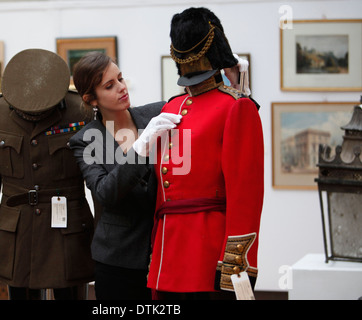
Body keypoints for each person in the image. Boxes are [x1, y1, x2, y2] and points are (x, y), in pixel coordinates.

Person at [146, 7, 264, 299]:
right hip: (167, 253)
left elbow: (245, 195)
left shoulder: (235, 106)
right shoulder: (170, 108)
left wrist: (235, 265)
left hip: (207, 252)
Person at [0, 49, 95, 300]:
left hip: (68, 234)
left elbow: (98, 185)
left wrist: (104, 247)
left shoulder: (80, 110)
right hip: (17, 237)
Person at [68, 52, 180, 300]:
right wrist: (140, 148)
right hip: (118, 262)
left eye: (120, 78)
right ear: (91, 99)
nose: (121, 87)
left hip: (168, 252)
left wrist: (235, 85)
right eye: (110, 85)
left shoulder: (156, 113)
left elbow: (199, 109)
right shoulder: (85, 141)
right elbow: (105, 193)